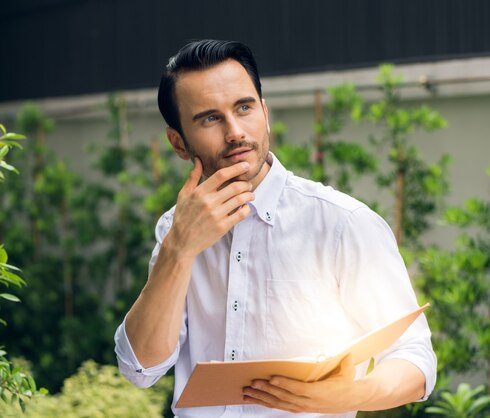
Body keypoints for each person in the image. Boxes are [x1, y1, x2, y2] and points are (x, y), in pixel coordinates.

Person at [114, 39, 436, 418]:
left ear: (264, 113)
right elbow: (141, 369)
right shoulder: (176, 229)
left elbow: (414, 360)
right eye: (210, 118)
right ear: (178, 143)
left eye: (244, 108)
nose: (235, 131)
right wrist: (178, 250)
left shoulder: (342, 223)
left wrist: (345, 396)